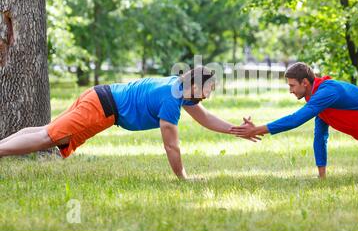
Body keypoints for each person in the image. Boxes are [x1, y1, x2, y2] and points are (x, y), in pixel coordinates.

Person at [0, 66, 259, 180]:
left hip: (100, 97)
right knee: (50, 137)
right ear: (194, 86)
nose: (209, 95)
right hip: (101, 106)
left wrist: (236, 130)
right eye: (208, 90)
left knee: (49, 132)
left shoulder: (178, 88)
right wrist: (182, 177)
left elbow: (204, 117)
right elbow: (172, 146)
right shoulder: (172, 99)